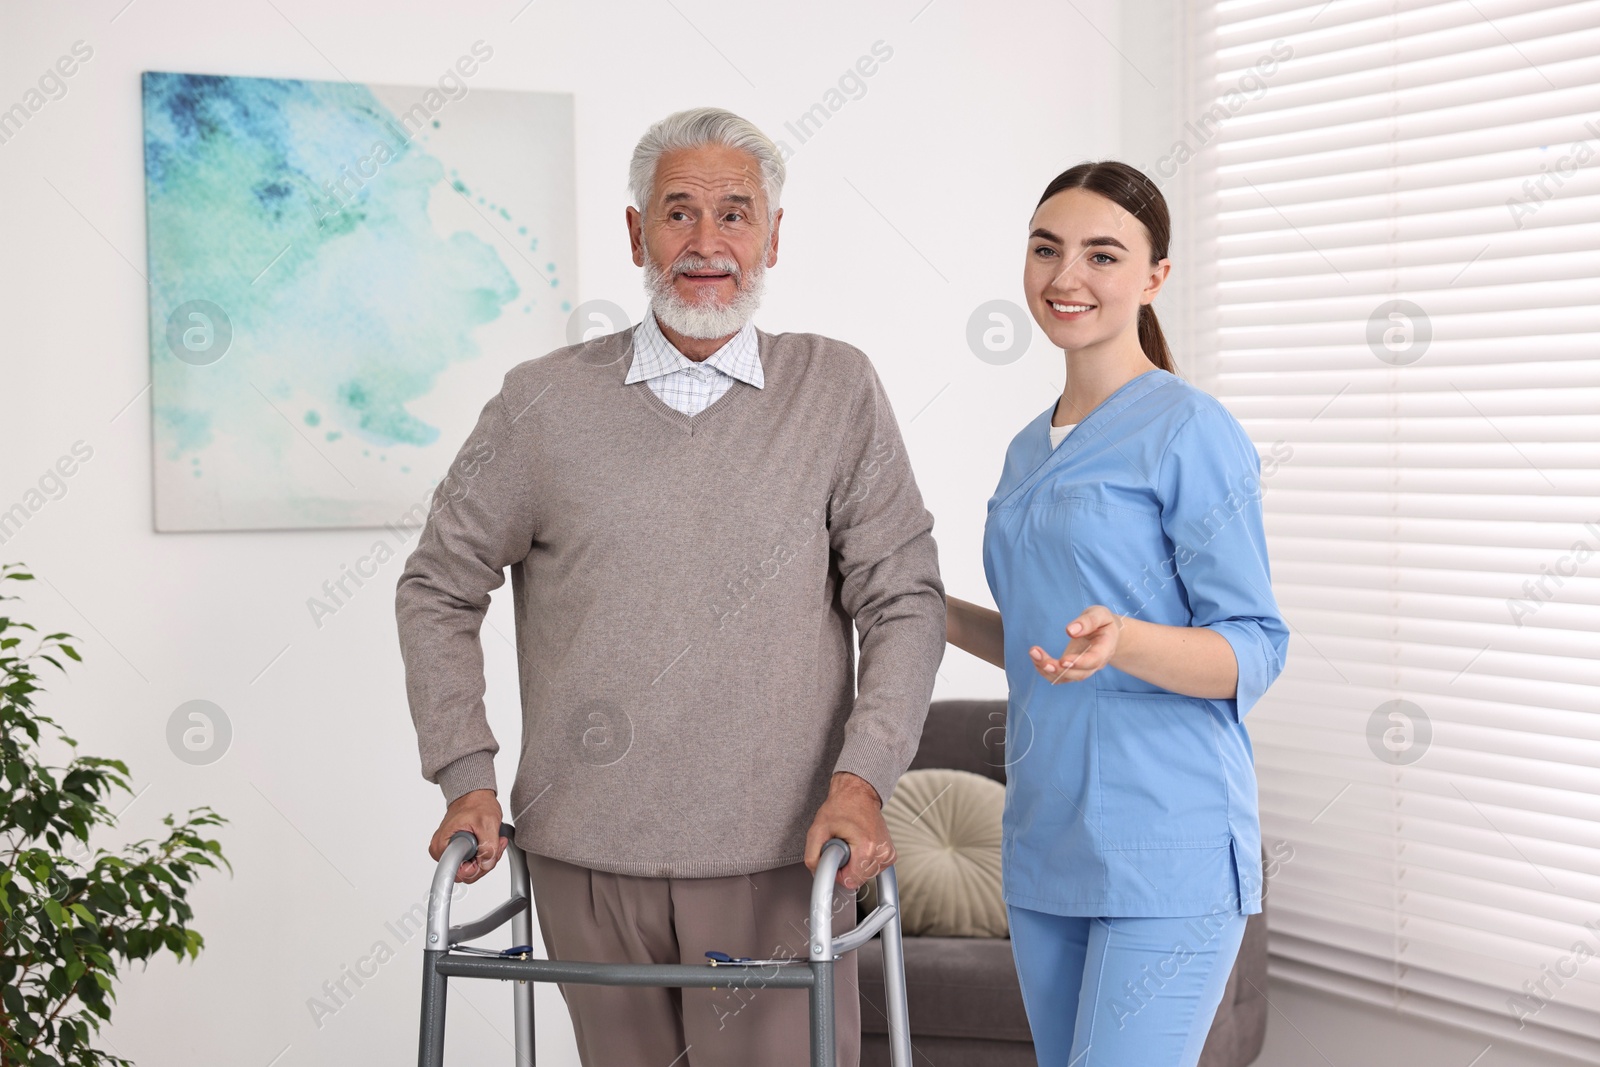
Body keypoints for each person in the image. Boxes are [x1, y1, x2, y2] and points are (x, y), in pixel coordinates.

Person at [394, 107, 945, 1067]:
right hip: (586, 859)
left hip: (782, 857)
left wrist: (862, 782)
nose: (706, 243)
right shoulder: (542, 402)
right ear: (635, 232)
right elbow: (438, 585)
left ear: (774, 236)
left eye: (735, 214)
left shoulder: (837, 389)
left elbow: (904, 597)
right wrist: (465, 773)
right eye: (679, 212)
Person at [944, 161, 1289, 1066]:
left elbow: (1254, 647)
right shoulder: (1028, 446)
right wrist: (931, 611)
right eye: (1046, 249)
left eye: (1103, 254)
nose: (1067, 277)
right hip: (1048, 839)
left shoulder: (1189, 430)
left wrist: (1126, 641)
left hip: (1164, 844)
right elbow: (1041, 647)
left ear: (1154, 276)